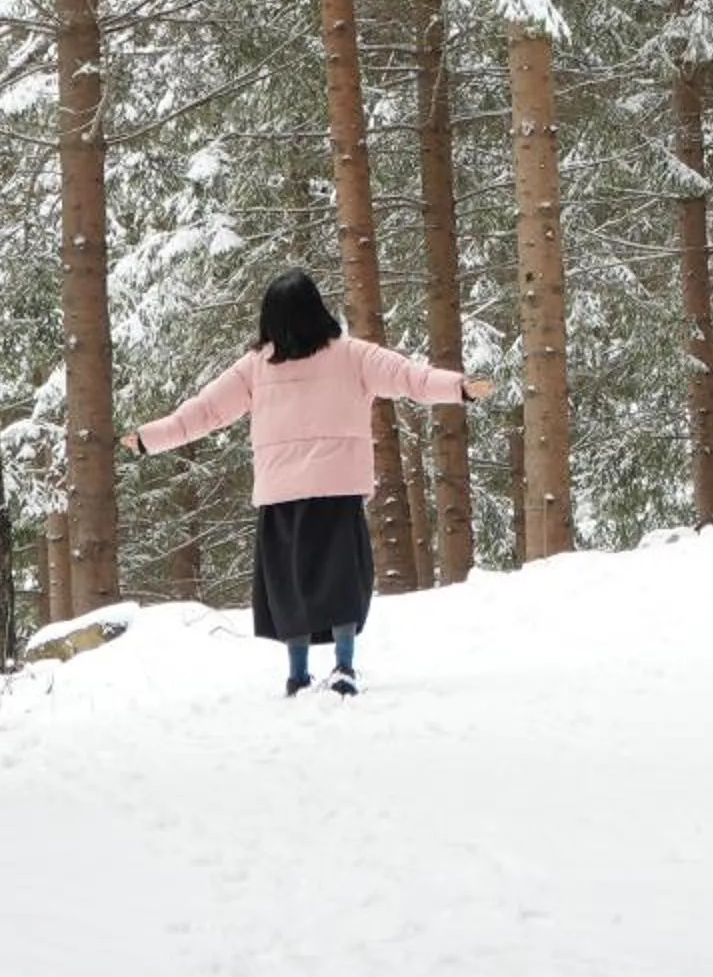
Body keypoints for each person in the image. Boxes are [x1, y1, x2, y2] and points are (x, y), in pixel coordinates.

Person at [123, 268, 494, 697]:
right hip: (337, 490)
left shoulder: (254, 369)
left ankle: (297, 674)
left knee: (290, 587)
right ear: (317, 310)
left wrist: (150, 439)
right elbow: (410, 377)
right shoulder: (352, 355)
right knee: (342, 583)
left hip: (283, 496)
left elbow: (202, 413)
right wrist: (459, 388)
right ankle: (344, 667)